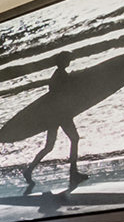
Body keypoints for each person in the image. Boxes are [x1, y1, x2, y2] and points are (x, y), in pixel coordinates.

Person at [19, 52, 88, 195]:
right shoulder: (61, 75)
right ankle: (73, 173)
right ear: (62, 61)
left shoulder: (58, 75)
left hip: (53, 115)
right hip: (61, 114)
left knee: (49, 146)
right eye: (67, 60)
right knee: (74, 139)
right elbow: (64, 93)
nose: (69, 62)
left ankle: (29, 170)